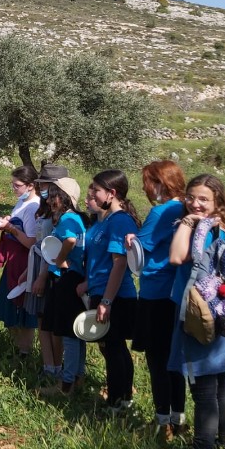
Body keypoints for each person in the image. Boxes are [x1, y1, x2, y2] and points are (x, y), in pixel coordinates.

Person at [161, 174, 225, 449]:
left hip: (201, 319)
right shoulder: (222, 228)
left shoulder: (200, 228)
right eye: (190, 197)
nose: (194, 203)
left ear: (217, 203)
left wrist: (186, 223)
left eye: (203, 199)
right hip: (223, 315)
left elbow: (176, 257)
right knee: (221, 385)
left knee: (202, 389)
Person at [127, 161, 187, 443]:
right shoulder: (185, 208)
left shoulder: (162, 211)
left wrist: (131, 239)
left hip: (155, 291)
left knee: (157, 360)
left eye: (148, 181)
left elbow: (140, 248)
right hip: (176, 292)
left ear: (161, 182)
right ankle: (179, 418)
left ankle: (162, 422)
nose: (144, 187)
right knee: (174, 360)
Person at [78, 169, 140, 414]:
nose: (91, 193)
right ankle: (122, 397)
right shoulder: (105, 220)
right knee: (110, 347)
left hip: (115, 296)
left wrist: (106, 300)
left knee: (113, 347)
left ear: (112, 194)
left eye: (96, 189)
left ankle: (117, 401)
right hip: (101, 292)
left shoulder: (120, 221)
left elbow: (119, 263)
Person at [37, 177, 88, 397]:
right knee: (75, 332)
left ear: (65, 197)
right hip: (71, 278)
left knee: (69, 334)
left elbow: (69, 241)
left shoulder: (68, 220)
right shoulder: (75, 219)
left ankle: (66, 385)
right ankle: (77, 378)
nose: (49, 200)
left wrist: (59, 260)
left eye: (54, 196)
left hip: (67, 279)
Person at [0, 166, 41, 358]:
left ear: (30, 186)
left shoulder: (33, 207)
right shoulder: (23, 201)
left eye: (17, 185)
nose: (13, 188)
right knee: (11, 305)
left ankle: (24, 352)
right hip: (13, 260)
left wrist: (11, 228)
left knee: (22, 307)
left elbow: (31, 242)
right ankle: (16, 347)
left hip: (24, 261)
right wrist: (7, 221)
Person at [30, 163, 70, 376]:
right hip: (39, 264)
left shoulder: (61, 216)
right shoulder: (45, 210)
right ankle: (48, 365)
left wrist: (42, 276)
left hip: (49, 269)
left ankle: (56, 364)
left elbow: (54, 247)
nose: (41, 188)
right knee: (41, 318)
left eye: (45, 184)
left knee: (52, 320)